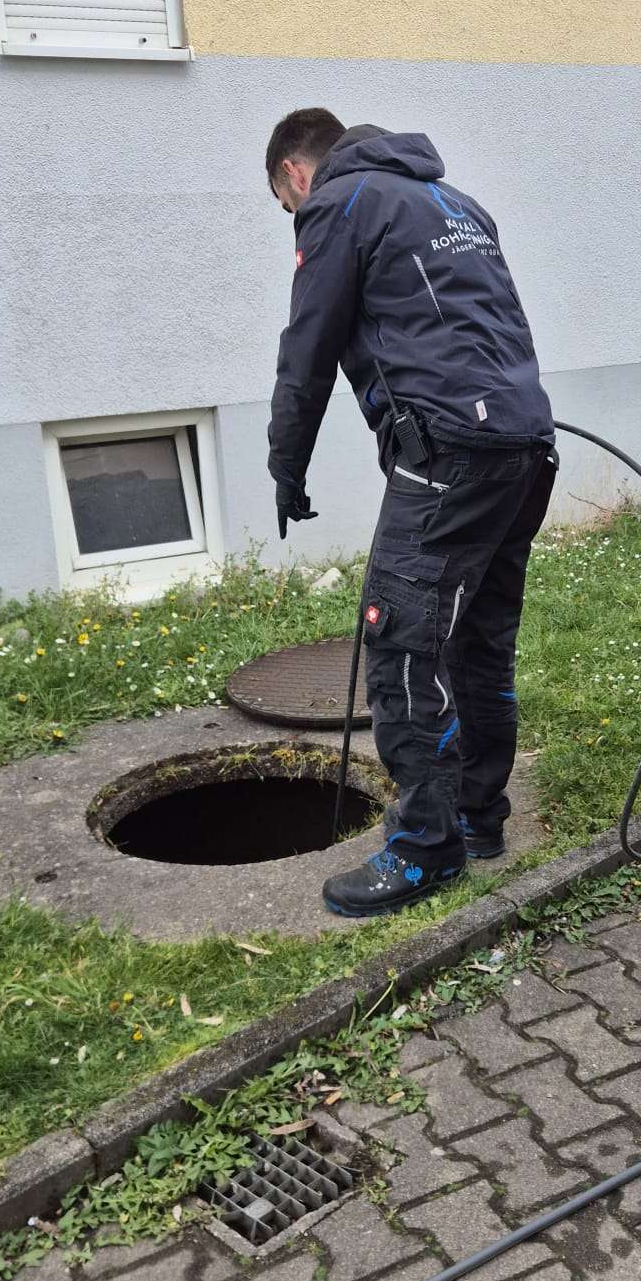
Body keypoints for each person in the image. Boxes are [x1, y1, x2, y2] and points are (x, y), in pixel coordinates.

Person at [265, 107, 558, 917]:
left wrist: (284, 467)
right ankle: (478, 819)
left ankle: (426, 850)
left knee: (398, 640)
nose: (295, 220)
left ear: (296, 174)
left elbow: (306, 353)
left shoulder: (341, 202)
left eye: (286, 208)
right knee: (478, 642)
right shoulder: (459, 204)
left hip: (450, 459)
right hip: (526, 445)